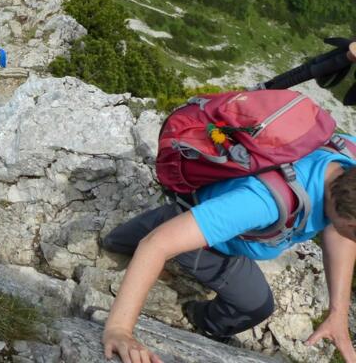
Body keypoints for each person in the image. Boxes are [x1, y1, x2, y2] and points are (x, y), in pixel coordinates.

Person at [100, 135, 356, 363]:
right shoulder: (262, 203)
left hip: (225, 214)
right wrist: (120, 330)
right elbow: (156, 245)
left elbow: (340, 226)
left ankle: (129, 237)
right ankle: (195, 315)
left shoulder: (347, 160)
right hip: (211, 233)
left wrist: (338, 313)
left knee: (152, 236)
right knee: (255, 305)